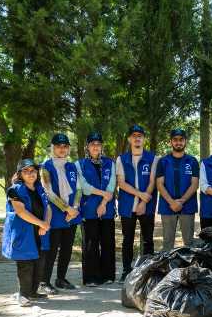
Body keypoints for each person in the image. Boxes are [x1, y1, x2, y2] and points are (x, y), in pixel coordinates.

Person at [2, 159, 51, 306]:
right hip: (24, 234)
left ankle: (33, 292)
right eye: (26, 171)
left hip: (41, 232)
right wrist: (42, 223)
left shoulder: (40, 188)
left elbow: (48, 208)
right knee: (26, 265)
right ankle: (23, 295)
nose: (30, 174)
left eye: (33, 171)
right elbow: (21, 212)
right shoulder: (14, 190)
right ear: (20, 174)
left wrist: (46, 224)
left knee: (40, 263)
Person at [116, 124, 159, 282]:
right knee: (127, 239)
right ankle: (126, 270)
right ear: (129, 139)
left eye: (140, 135)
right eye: (134, 135)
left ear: (144, 139)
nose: (137, 138)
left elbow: (152, 181)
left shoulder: (153, 158)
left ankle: (147, 272)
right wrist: (139, 195)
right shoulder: (121, 159)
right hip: (127, 206)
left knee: (148, 239)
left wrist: (143, 201)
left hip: (146, 205)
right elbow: (121, 183)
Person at [40, 133, 82, 293]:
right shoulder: (46, 166)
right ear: (52, 147)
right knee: (52, 249)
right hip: (56, 215)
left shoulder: (72, 166)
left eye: (65, 146)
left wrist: (75, 209)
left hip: (71, 215)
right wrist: (67, 209)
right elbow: (48, 192)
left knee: (67, 248)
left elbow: (78, 189)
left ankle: (61, 279)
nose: (62, 149)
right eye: (58, 146)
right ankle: (44, 282)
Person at [76, 132, 116, 286]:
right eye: (92, 144)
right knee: (90, 244)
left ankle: (108, 276)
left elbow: (111, 185)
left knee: (108, 242)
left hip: (106, 210)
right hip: (89, 210)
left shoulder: (109, 163)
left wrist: (104, 203)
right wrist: (102, 194)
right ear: (87, 147)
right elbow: (85, 188)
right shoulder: (79, 164)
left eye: (98, 144)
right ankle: (91, 277)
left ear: (101, 146)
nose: (95, 147)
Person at [157, 128, 199, 250]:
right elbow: (159, 184)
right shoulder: (163, 161)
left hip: (187, 206)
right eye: (175, 140)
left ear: (185, 142)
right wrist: (172, 202)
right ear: (170, 142)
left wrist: (181, 201)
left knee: (189, 243)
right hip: (167, 206)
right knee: (167, 243)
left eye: (181, 140)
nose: (178, 142)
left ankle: (189, 269)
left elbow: (194, 184)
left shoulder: (192, 161)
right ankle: (166, 269)